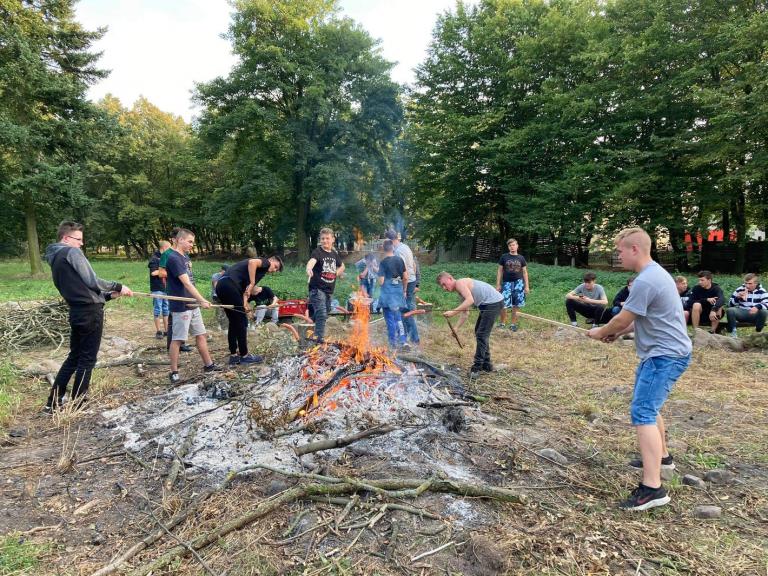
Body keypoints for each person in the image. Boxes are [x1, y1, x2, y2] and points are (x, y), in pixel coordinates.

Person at [588, 228, 691, 511]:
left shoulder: (646, 280)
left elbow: (621, 319)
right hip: (663, 354)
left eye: (620, 251)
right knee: (650, 406)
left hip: (664, 356)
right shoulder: (657, 274)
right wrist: (615, 334)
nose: (617, 255)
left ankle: (653, 488)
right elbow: (642, 320)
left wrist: (603, 332)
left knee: (643, 411)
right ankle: (663, 458)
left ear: (634, 249)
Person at [43, 221, 133, 412]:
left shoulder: (56, 257)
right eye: (79, 239)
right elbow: (92, 280)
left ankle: (53, 402)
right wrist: (118, 286)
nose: (81, 244)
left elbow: (81, 289)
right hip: (90, 313)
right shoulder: (71, 252)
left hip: (77, 312)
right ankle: (78, 404)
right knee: (86, 360)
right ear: (66, 238)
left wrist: (108, 296)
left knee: (74, 357)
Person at [165, 229, 222, 384]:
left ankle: (209, 365)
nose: (192, 245)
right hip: (181, 304)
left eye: (192, 242)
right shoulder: (173, 258)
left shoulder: (185, 257)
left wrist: (198, 301)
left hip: (193, 303)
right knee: (178, 339)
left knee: (201, 334)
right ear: (179, 240)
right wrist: (202, 300)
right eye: (189, 241)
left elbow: (191, 280)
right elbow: (186, 283)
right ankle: (174, 372)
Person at [216, 256, 283, 364]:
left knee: (234, 322)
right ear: (271, 260)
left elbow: (245, 291)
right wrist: (252, 283)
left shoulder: (257, 272)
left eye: (276, 270)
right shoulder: (265, 262)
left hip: (222, 285)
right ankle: (244, 356)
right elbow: (252, 262)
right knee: (242, 322)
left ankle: (233, 356)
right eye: (275, 266)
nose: (274, 270)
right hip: (230, 285)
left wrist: (244, 304)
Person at [437, 272, 503, 375]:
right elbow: (465, 313)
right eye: (442, 286)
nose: (444, 288)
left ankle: (477, 368)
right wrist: (456, 328)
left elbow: (470, 300)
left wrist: (453, 312)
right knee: (480, 333)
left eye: (444, 284)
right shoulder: (460, 291)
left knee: (481, 335)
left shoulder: (460, 283)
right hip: (487, 305)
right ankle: (486, 365)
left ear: (450, 278)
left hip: (493, 303)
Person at [306, 228, 345, 342]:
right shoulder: (317, 252)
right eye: (322, 239)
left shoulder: (334, 253)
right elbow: (311, 262)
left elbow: (342, 266)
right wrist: (309, 268)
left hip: (328, 291)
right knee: (322, 313)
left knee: (324, 311)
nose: (325, 241)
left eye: (327, 238)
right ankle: (318, 339)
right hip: (317, 289)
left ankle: (308, 325)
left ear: (332, 239)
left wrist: (336, 273)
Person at [385, 230, 420, 347]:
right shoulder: (405, 247)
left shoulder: (398, 252)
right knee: (405, 310)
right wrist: (414, 280)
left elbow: (403, 275)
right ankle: (406, 338)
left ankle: (414, 339)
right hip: (411, 281)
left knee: (406, 312)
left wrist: (404, 289)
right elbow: (414, 265)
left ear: (390, 240)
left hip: (406, 283)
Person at [160, 229, 191, 353]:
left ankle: (181, 343)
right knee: (174, 317)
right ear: (176, 239)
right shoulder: (167, 254)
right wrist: (176, 274)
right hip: (174, 290)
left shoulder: (185, 253)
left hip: (186, 290)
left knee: (183, 318)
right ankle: (172, 345)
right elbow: (161, 272)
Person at [377, 239, 408, 349]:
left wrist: (379, 275)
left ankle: (393, 343)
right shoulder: (400, 260)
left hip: (388, 295)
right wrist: (404, 290)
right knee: (398, 317)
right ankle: (403, 341)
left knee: (390, 319)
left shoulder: (383, 262)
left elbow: (381, 282)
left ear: (383, 249)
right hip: (398, 292)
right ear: (393, 248)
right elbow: (406, 277)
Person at [495, 238, 529, 331]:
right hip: (506, 283)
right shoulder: (504, 257)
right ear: (508, 247)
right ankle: (502, 323)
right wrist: (498, 284)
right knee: (503, 304)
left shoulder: (521, 258)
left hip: (519, 284)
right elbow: (500, 270)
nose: (512, 247)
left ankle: (513, 324)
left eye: (513, 245)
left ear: (517, 246)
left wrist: (526, 286)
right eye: (510, 245)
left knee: (516, 304)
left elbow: (525, 272)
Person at [148, 241, 171, 339]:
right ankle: (158, 331)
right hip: (157, 288)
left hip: (166, 288)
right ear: (165, 247)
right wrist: (164, 271)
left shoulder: (166, 258)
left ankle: (167, 331)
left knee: (166, 310)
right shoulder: (154, 258)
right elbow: (153, 273)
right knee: (158, 309)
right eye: (169, 248)